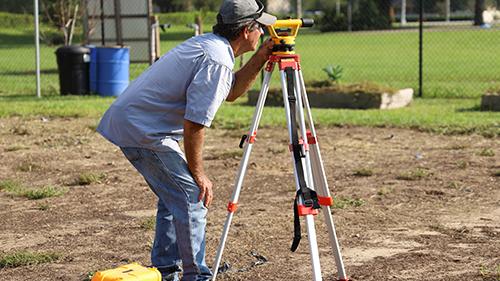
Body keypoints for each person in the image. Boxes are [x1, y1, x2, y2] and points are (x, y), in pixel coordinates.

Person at [96, 0, 276, 280]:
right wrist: (199, 173)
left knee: (174, 197)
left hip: (139, 125)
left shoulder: (212, 46)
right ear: (245, 30)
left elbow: (231, 92)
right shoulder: (216, 58)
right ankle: (196, 276)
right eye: (260, 28)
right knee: (193, 197)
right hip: (144, 131)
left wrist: (263, 56)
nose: (263, 33)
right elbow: (194, 123)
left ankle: (166, 269)